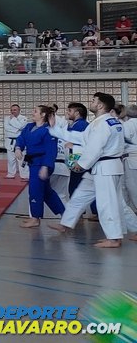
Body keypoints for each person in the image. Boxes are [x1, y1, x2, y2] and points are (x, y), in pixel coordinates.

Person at [48, 93, 127, 248]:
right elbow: (82, 138)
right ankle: (66, 223)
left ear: (100, 105)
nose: (91, 103)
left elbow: (95, 147)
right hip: (103, 167)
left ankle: (114, 238)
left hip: (105, 168)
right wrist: (55, 129)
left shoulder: (102, 124)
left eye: (93, 101)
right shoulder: (107, 122)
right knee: (80, 195)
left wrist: (82, 164)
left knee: (107, 203)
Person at [15, 105, 63, 228]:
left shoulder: (48, 130)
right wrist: (18, 147)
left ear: (43, 115)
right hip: (33, 163)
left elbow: (51, 150)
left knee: (35, 190)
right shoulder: (29, 127)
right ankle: (66, 215)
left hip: (42, 163)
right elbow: (21, 138)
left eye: (35, 111)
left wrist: (46, 166)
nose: (33, 112)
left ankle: (35, 218)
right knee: (47, 192)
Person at [2, 104, 30, 179]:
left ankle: (24, 175)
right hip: (10, 141)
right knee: (11, 159)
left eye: (14, 110)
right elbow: (7, 128)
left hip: (20, 141)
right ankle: (11, 173)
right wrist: (17, 130)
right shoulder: (7, 118)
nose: (12, 111)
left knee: (21, 158)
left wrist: (13, 120)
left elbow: (21, 127)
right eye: (11, 110)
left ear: (19, 110)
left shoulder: (24, 118)